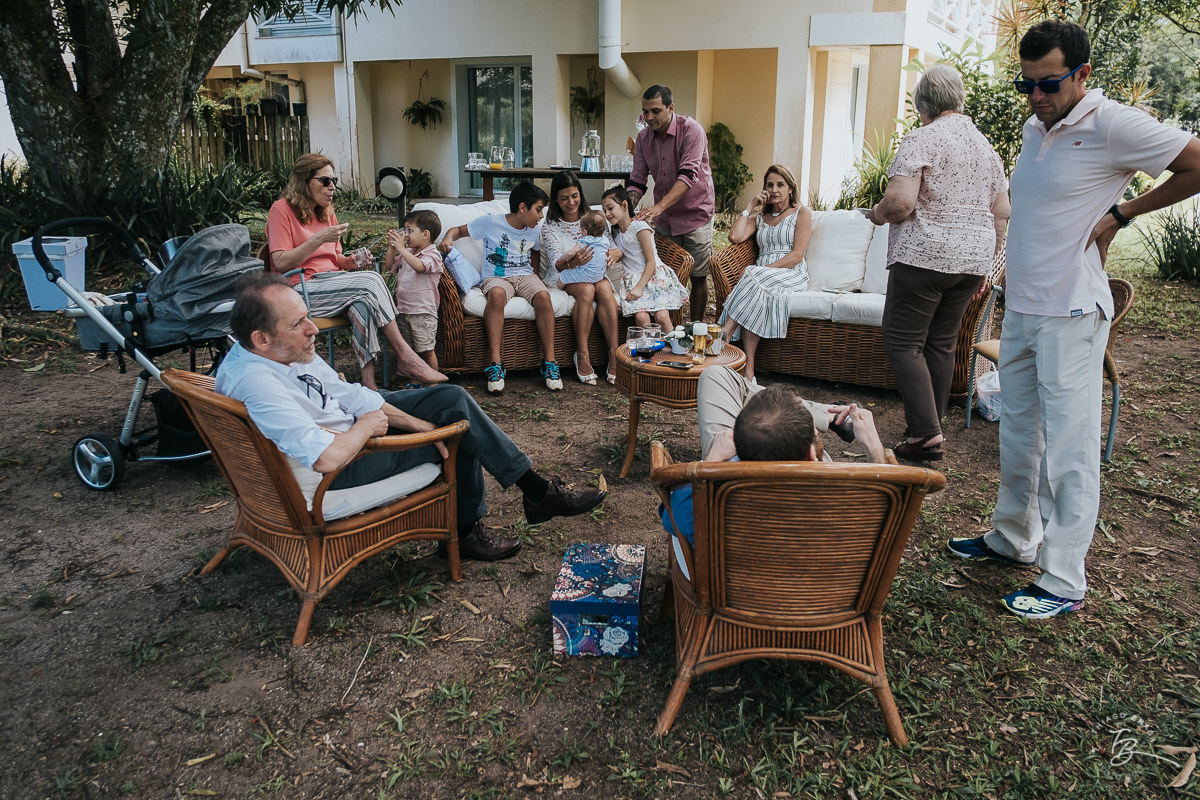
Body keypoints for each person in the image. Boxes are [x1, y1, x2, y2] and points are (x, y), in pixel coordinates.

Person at [947, 20, 1200, 619]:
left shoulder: (1113, 124)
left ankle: (1063, 579)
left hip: (1073, 313)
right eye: (1027, 85)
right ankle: (1012, 539)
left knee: (1070, 449)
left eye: (1050, 84)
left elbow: (1195, 161)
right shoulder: (1038, 128)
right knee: (1018, 433)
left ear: (1083, 74)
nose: (1037, 97)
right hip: (1024, 308)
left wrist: (1124, 213)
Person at [216, 271, 607, 561]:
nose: (312, 328)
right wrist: (371, 425)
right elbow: (326, 458)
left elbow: (350, 394)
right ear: (261, 338)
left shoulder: (278, 351)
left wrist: (418, 425)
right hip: (342, 466)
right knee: (458, 430)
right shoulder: (258, 383)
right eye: (297, 323)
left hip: (347, 423)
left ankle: (536, 492)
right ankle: (471, 528)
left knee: (451, 398)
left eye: (307, 316)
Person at [865, 64, 1010, 462]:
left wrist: (876, 214)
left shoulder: (922, 139)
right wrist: (987, 265)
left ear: (923, 105)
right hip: (970, 263)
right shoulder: (986, 147)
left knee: (902, 342)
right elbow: (1002, 211)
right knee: (941, 344)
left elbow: (900, 203)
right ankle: (927, 426)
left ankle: (927, 435)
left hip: (925, 257)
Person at [265, 153, 446, 390]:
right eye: (325, 181)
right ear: (304, 181)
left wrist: (351, 261)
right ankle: (406, 355)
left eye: (334, 182)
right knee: (370, 281)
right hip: (298, 289)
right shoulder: (281, 210)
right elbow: (280, 262)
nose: (332, 188)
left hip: (330, 284)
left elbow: (333, 259)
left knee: (363, 306)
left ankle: (369, 385)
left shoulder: (326, 212)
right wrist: (319, 239)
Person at [660, 367, 885, 555]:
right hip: (821, 604)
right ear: (811, 455)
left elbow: (672, 520)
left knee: (714, 375)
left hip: (732, 599)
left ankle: (827, 415)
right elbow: (886, 506)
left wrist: (712, 462)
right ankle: (829, 415)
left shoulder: (698, 503)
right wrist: (874, 447)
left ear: (738, 450)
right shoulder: (852, 507)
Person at [439, 181, 560, 394]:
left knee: (543, 297)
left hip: (524, 275)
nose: (541, 215)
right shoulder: (491, 222)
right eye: (538, 210)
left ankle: (550, 362)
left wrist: (534, 276)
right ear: (522, 207)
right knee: (495, 295)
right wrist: (448, 238)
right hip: (497, 277)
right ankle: (496, 363)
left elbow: (534, 254)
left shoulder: (534, 229)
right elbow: (458, 230)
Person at [627, 84, 716, 320]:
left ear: (671, 108)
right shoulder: (643, 138)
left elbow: (687, 176)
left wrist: (657, 208)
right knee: (666, 275)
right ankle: (673, 330)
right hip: (666, 219)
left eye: (655, 111)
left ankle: (694, 326)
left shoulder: (692, 131)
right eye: (645, 112)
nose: (649, 117)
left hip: (696, 214)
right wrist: (626, 208)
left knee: (697, 276)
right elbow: (637, 180)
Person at [718, 164, 813, 384]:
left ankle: (725, 334)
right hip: (759, 279)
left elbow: (797, 255)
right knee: (757, 295)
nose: (775, 189)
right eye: (770, 184)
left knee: (751, 276)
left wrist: (761, 271)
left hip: (790, 272)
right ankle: (749, 369)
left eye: (781, 184)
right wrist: (751, 205)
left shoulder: (801, 213)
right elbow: (735, 237)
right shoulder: (760, 218)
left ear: (790, 188)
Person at [540, 171, 622, 385]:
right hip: (566, 274)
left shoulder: (594, 217)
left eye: (574, 196)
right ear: (556, 199)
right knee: (587, 290)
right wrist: (573, 263)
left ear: (581, 194)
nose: (571, 202)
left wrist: (614, 254)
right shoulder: (550, 225)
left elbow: (613, 248)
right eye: (564, 198)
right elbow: (556, 262)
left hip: (595, 273)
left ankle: (614, 355)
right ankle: (582, 355)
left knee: (604, 289)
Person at [602, 186, 687, 331]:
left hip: (653, 277)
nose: (607, 214)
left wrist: (639, 288)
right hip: (634, 279)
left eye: (610, 208)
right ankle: (652, 351)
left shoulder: (640, 227)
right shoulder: (616, 233)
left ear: (624, 205)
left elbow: (651, 261)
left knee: (661, 317)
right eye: (604, 211)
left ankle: (674, 350)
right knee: (641, 318)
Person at [384, 209, 444, 381]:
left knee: (425, 350)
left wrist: (402, 249)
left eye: (410, 230)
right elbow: (389, 267)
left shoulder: (433, 254)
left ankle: (434, 383)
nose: (406, 235)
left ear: (426, 234)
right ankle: (415, 381)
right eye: (405, 230)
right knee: (409, 351)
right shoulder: (408, 253)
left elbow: (419, 267)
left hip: (423, 312)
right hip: (404, 309)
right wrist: (392, 247)